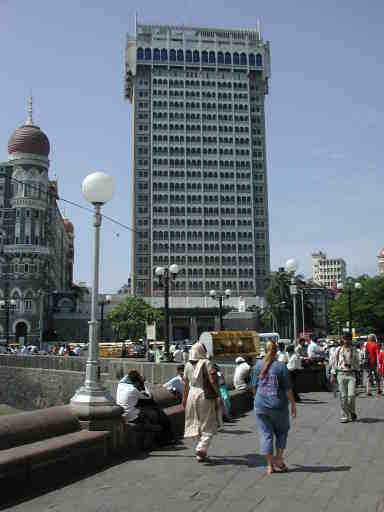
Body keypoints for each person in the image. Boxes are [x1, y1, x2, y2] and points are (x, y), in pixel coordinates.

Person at [250, 340, 296, 474]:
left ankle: (269, 466)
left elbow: (253, 387)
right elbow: (288, 389)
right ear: (276, 351)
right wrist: (293, 404)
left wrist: (257, 400)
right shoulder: (281, 367)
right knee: (282, 432)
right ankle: (279, 460)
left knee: (266, 434)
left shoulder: (257, 365)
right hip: (278, 406)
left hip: (260, 406)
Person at [116, 370, 176, 446]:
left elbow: (127, 377)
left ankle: (153, 434)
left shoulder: (120, 384)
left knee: (148, 416)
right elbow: (149, 396)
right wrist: (144, 385)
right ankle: (159, 434)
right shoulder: (133, 389)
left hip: (123, 414)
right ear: (137, 382)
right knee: (153, 415)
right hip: (131, 415)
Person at [183, 342, 219, 462]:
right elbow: (213, 380)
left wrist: (184, 399)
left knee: (195, 422)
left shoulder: (187, 365)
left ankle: (201, 452)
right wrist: (218, 395)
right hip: (204, 394)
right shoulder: (207, 363)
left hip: (191, 395)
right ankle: (201, 447)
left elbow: (186, 384)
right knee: (208, 423)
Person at [330, 333, 360, 423]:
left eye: (348, 339)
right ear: (343, 340)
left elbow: (357, 363)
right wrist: (333, 374)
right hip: (341, 374)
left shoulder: (354, 350)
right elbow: (334, 362)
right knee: (343, 396)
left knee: (351, 396)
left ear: (351, 340)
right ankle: (344, 415)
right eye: (345, 339)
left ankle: (352, 411)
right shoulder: (338, 350)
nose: (346, 341)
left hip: (351, 374)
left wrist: (358, 374)